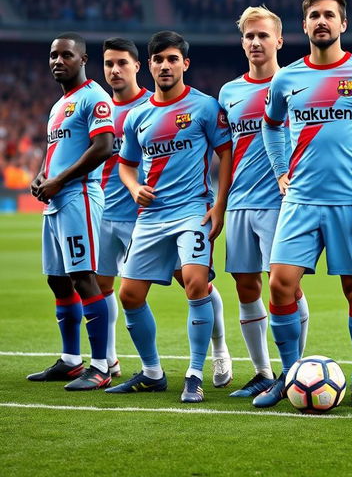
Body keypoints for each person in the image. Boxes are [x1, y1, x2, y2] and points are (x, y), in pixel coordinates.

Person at [256, 0, 352, 408]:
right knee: (280, 285)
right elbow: (270, 125)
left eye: (329, 15)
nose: (322, 21)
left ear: (342, 24)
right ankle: (289, 376)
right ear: (304, 26)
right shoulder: (287, 79)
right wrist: (281, 170)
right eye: (314, 15)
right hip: (299, 200)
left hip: (349, 202)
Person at [105, 31, 232, 403]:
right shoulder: (137, 116)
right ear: (150, 65)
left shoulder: (205, 107)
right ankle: (152, 372)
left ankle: (195, 372)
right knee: (128, 295)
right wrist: (132, 187)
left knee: (195, 283)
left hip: (192, 210)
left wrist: (219, 205)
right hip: (150, 217)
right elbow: (126, 165)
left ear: (184, 64)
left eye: (172, 59)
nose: (165, 65)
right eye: (159, 60)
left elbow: (226, 155)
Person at [218, 6, 308, 398]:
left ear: (279, 41)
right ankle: (261, 371)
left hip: (281, 201)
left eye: (263, 36)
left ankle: (296, 371)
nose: (256, 42)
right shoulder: (229, 92)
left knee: (284, 287)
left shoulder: (295, 84)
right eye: (249, 36)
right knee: (245, 285)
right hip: (240, 201)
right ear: (242, 42)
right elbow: (225, 150)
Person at [27, 32, 115, 390]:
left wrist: (59, 180)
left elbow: (104, 146)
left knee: (83, 277)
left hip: (78, 196)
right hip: (57, 199)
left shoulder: (94, 97)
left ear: (83, 60)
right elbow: (57, 152)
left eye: (66, 55)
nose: (57, 61)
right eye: (53, 55)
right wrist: (41, 177)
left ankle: (101, 366)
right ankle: (70, 360)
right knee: (58, 280)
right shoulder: (59, 105)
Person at [99, 37, 151, 379]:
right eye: (108, 64)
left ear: (137, 65)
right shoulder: (97, 108)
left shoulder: (153, 104)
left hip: (149, 216)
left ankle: (220, 351)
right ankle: (108, 360)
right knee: (100, 286)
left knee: (193, 282)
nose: (115, 70)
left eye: (121, 63)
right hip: (104, 214)